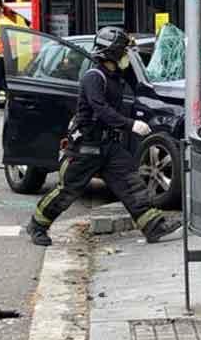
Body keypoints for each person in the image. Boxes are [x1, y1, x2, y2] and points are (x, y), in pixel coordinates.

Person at [26, 27, 181, 247]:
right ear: (112, 53)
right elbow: (101, 110)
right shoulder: (94, 77)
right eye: (123, 51)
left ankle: (153, 227)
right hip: (86, 146)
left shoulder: (115, 77)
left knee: (130, 183)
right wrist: (131, 125)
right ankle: (37, 225)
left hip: (109, 145)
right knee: (68, 189)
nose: (127, 56)